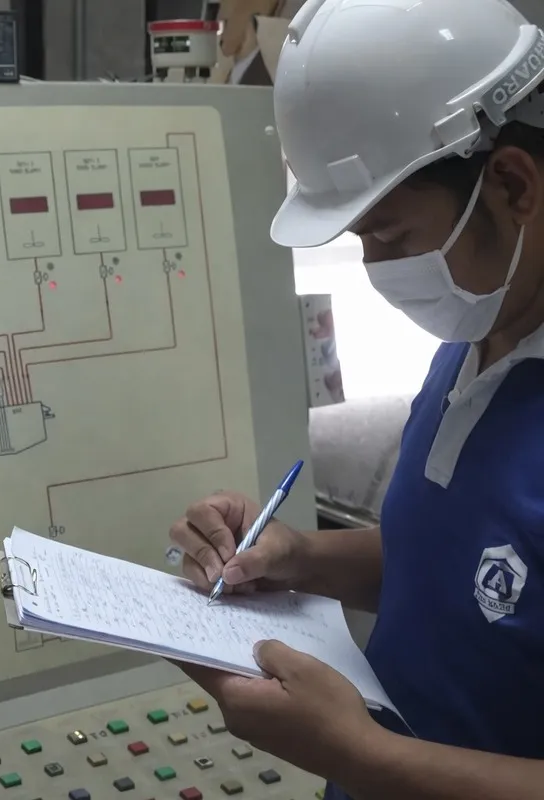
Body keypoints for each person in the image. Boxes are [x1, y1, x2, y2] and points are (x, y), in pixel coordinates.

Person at [169, 0, 544, 797]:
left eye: (393, 237)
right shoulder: (480, 333)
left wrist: (362, 756)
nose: (377, 269)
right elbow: (462, 564)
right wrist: (298, 559)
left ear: (512, 185)